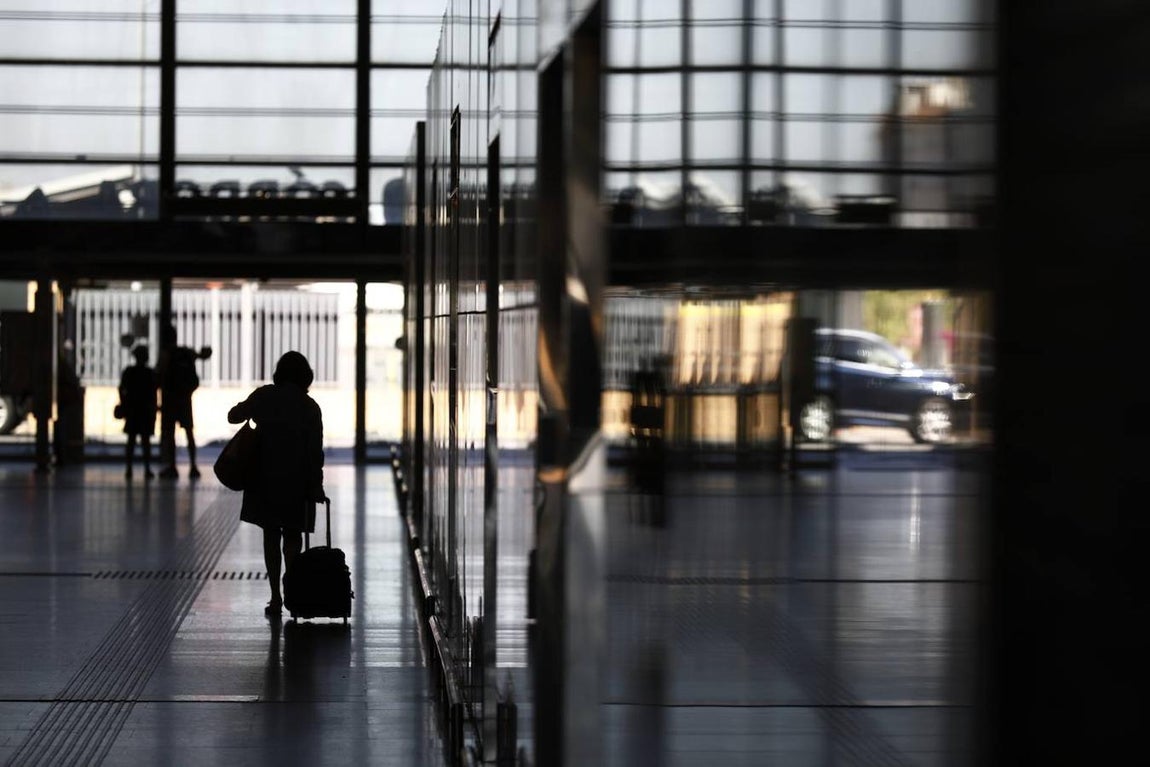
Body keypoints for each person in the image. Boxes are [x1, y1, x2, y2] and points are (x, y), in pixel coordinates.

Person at [228, 351, 326, 617]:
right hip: (297, 481)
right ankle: (293, 588)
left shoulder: (264, 396)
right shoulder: (310, 407)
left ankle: (275, 597)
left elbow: (233, 416)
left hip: (264, 478)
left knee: (270, 535)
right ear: (306, 376)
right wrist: (316, 485)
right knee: (293, 535)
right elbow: (315, 453)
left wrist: (252, 407)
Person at [156, 324, 210, 480]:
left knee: (170, 433)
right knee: (188, 432)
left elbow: (159, 375)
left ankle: (172, 467)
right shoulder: (186, 352)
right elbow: (202, 355)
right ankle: (193, 466)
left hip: (169, 400)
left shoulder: (166, 354)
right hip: (185, 398)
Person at [118, 345, 158, 480]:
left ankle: (129, 469)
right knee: (145, 441)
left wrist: (124, 403)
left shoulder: (129, 372)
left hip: (133, 410)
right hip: (145, 411)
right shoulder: (149, 373)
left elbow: (121, 389)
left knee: (131, 440)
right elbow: (153, 393)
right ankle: (146, 469)